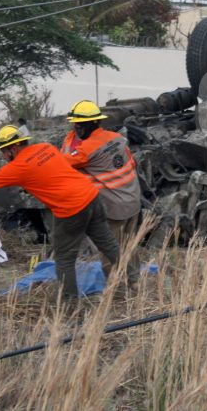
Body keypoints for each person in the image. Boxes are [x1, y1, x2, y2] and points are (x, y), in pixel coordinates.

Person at [0, 125, 121, 298]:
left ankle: (70, 302)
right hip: (92, 196)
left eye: (4, 151)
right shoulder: (46, 148)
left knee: (64, 259)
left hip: (71, 209)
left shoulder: (17, 167)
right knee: (108, 243)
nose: (3, 156)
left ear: (13, 148)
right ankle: (134, 279)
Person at [61, 100, 142, 284]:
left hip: (113, 208)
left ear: (89, 125)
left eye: (78, 125)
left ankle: (115, 288)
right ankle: (135, 282)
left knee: (109, 249)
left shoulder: (87, 149)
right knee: (130, 245)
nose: (76, 129)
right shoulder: (117, 138)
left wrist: (68, 142)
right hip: (133, 201)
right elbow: (132, 164)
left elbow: (62, 164)